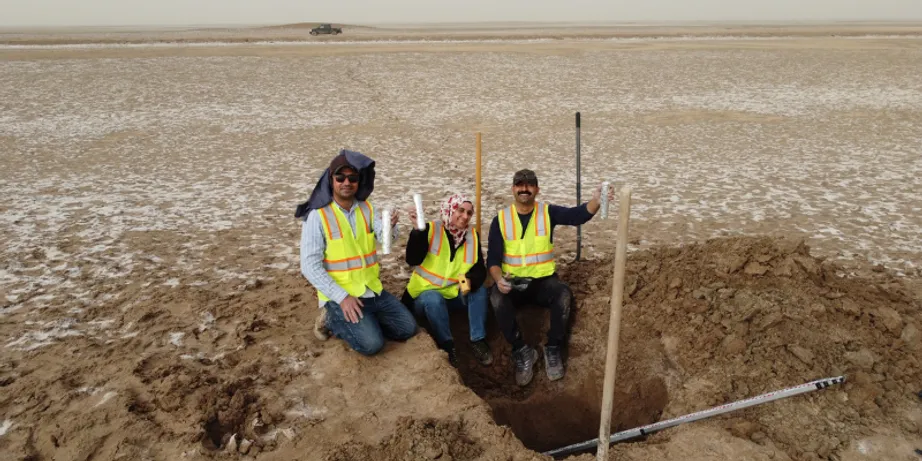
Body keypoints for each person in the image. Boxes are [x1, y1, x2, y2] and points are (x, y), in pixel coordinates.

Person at [488, 168, 614, 386]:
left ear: (537, 189)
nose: (524, 189)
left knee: (563, 294)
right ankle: (522, 351)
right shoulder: (500, 220)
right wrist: (499, 279)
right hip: (514, 283)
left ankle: (553, 348)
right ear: (513, 189)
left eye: (529, 185)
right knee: (496, 298)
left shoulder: (547, 213)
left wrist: (596, 201)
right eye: (520, 184)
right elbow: (493, 260)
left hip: (543, 282)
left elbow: (577, 216)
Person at [296, 149, 417, 356]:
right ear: (331, 179)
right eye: (340, 177)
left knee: (407, 328)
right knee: (372, 344)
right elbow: (309, 266)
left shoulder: (367, 208)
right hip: (341, 294)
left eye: (352, 178)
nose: (346, 182)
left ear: (359, 181)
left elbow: (385, 241)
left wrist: (392, 227)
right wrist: (341, 297)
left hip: (371, 289)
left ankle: (366, 319)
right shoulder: (318, 216)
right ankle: (330, 318)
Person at [401, 193, 492, 367]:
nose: (465, 216)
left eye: (469, 213)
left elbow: (479, 268)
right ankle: (447, 346)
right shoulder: (430, 229)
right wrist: (417, 232)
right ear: (449, 210)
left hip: (453, 294)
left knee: (479, 290)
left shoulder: (472, 235)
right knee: (432, 298)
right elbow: (412, 259)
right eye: (460, 210)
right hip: (423, 298)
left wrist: (469, 282)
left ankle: (478, 340)